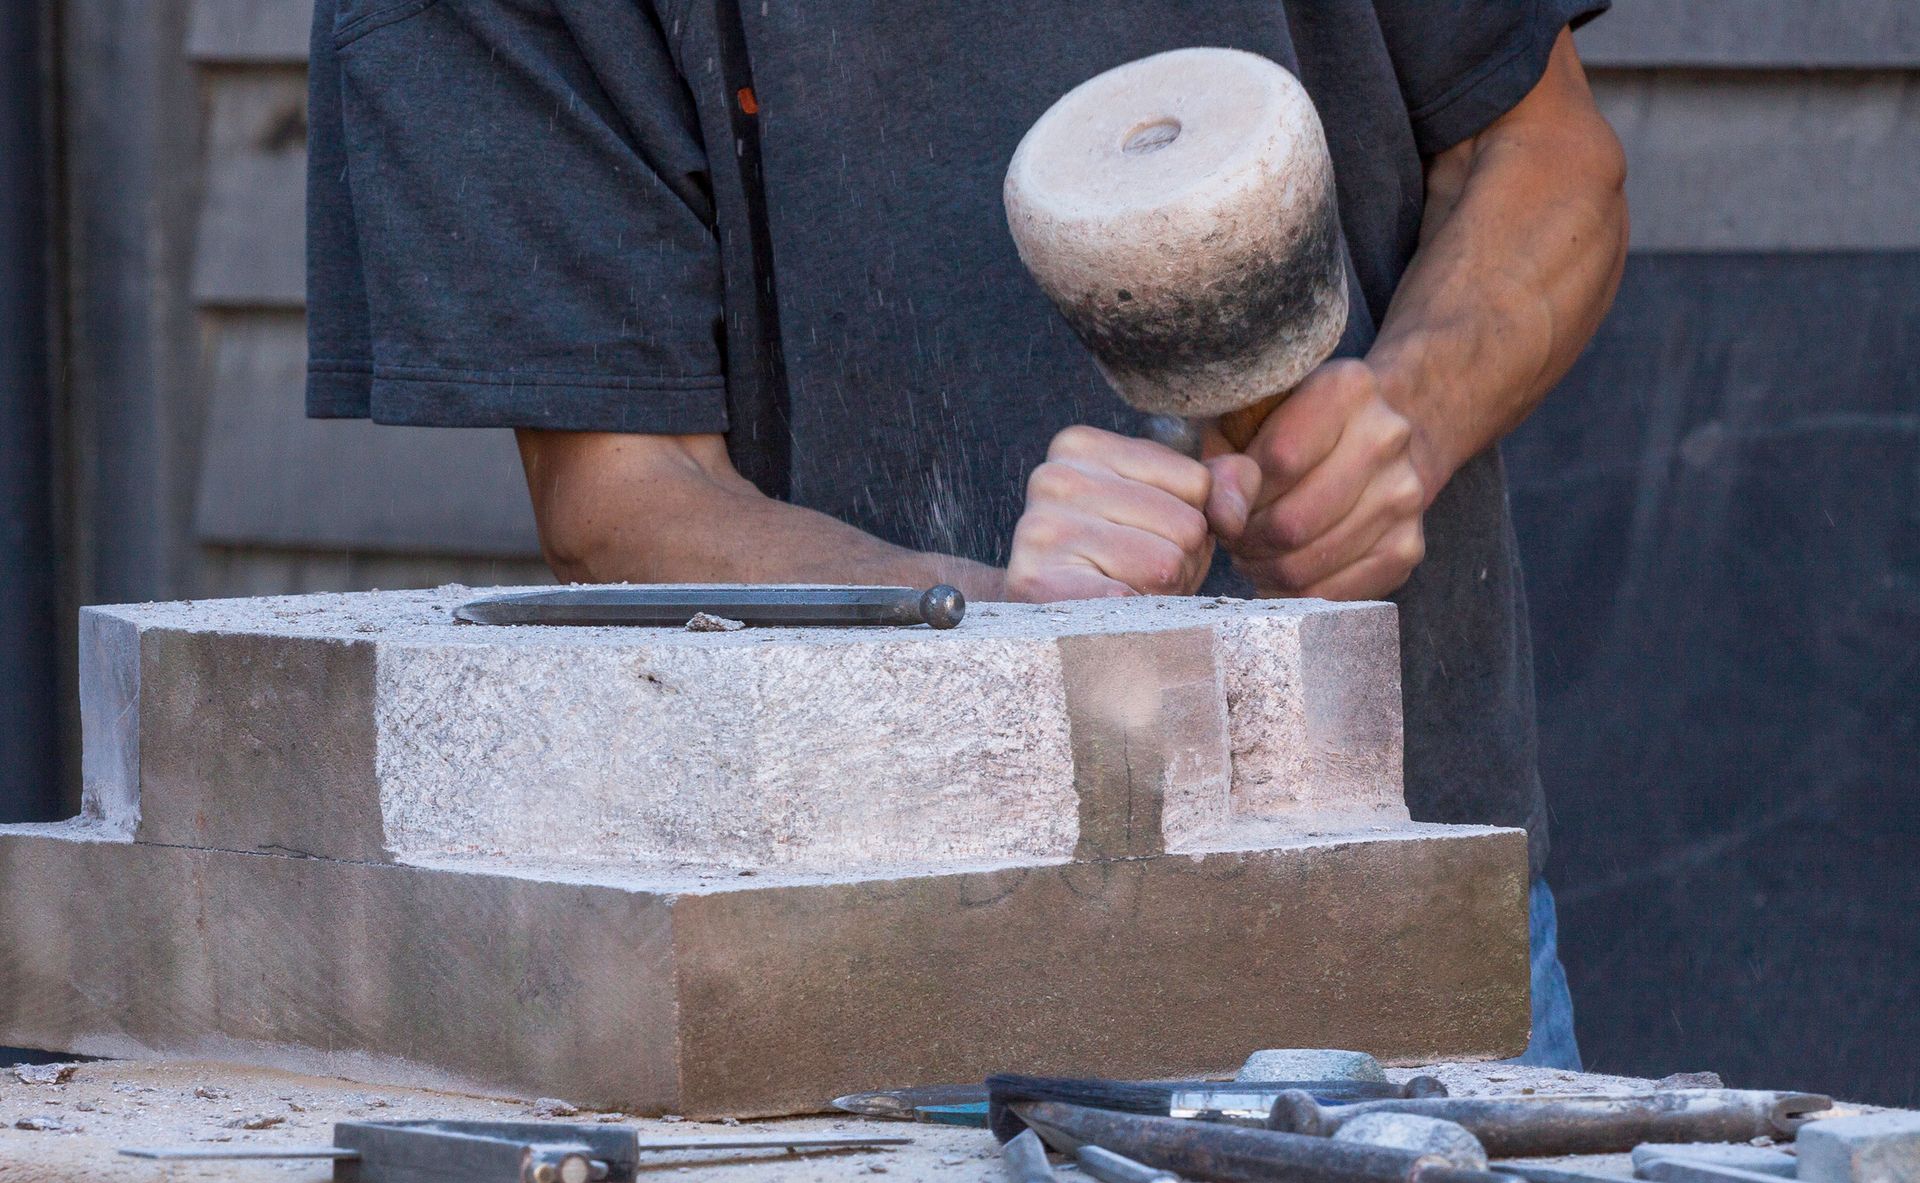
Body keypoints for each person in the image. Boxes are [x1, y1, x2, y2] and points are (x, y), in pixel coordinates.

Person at [307, 0, 1627, 1066]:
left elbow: (1540, 150)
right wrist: (984, 631)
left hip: (1399, 918)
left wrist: (1405, 418)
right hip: (883, 973)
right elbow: (624, 495)